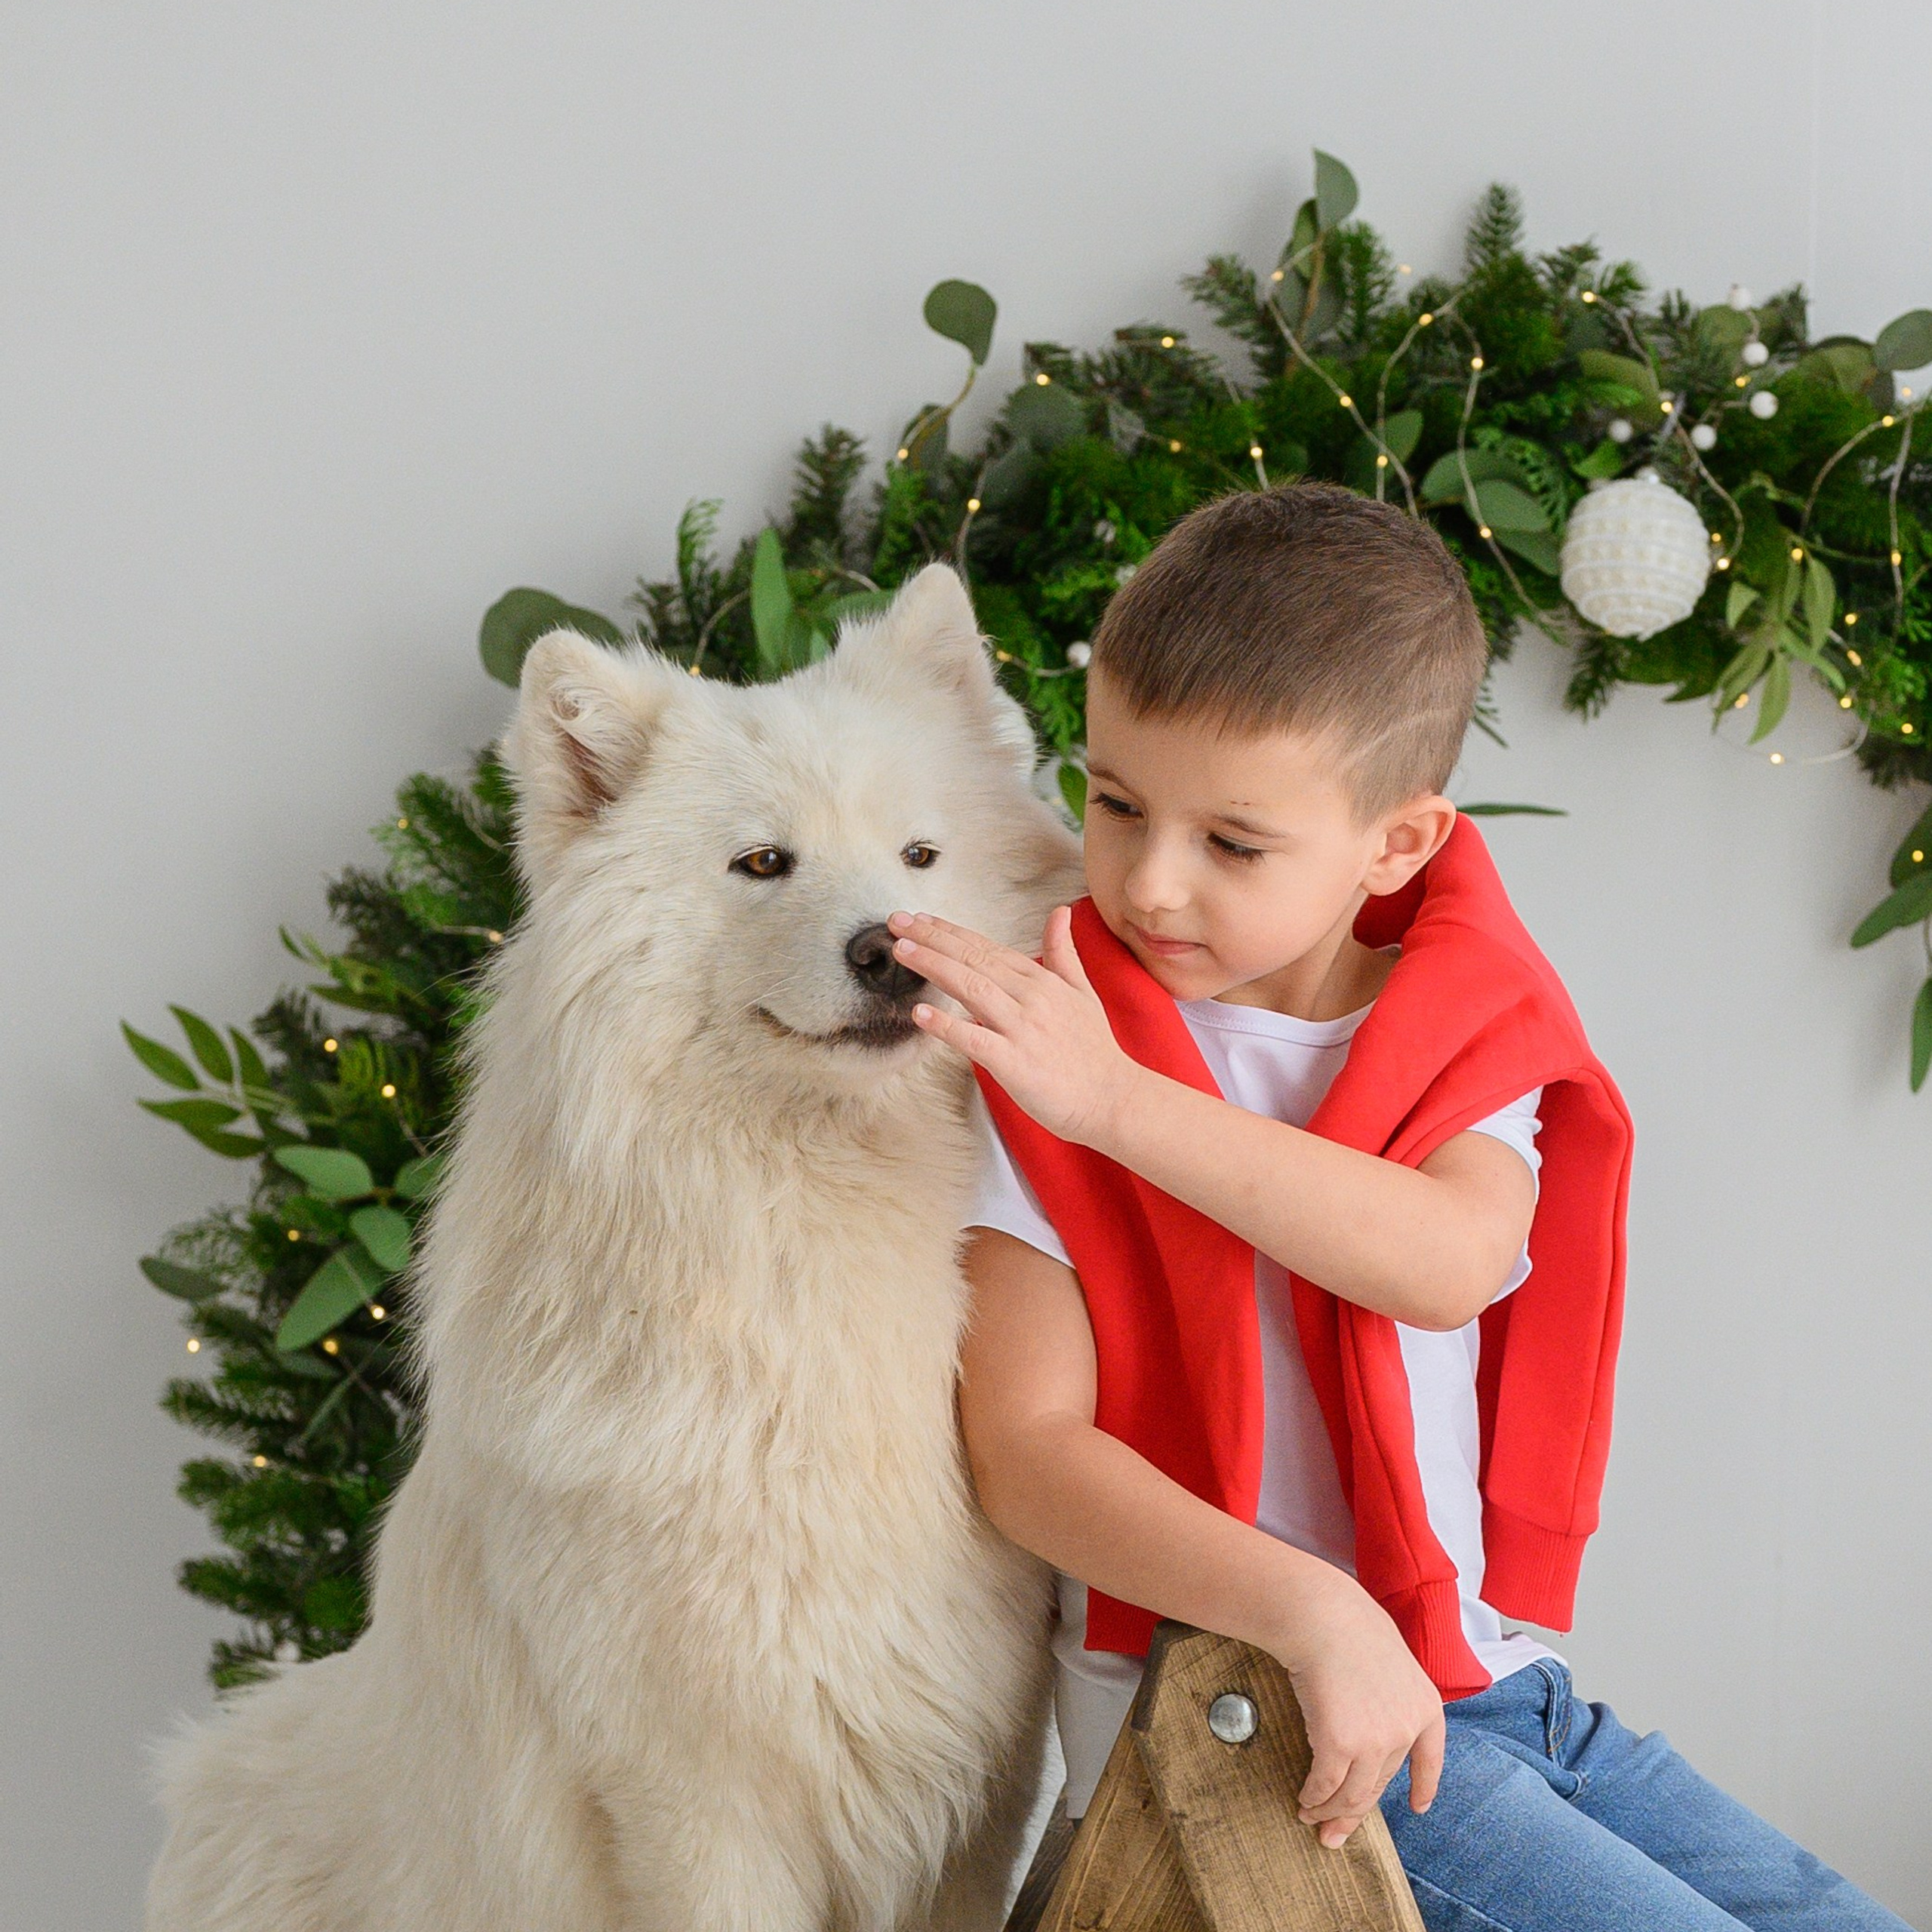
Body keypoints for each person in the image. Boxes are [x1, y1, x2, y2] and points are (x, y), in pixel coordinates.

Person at [884, 484, 1910, 1932]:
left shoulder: (1444, 1020)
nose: (1151, 882)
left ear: (1398, 844)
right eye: (1115, 803)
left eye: (1234, 843)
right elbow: (1029, 1455)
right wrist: (1314, 1610)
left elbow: (1447, 1260)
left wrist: (1121, 1107)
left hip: (1483, 1683)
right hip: (1245, 1721)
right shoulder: (1051, 1036)